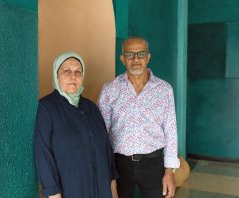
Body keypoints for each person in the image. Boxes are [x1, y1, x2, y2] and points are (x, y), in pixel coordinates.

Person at [98, 37, 180, 198]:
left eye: (141, 54)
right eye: (129, 54)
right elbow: (101, 133)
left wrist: (169, 171)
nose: (136, 59)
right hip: (119, 164)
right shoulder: (110, 90)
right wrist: (104, 170)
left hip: (154, 164)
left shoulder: (164, 90)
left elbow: (170, 131)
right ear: (122, 59)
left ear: (148, 57)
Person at [34, 51, 118, 198]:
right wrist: (53, 193)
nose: (73, 76)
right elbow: (43, 153)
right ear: (56, 75)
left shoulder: (91, 108)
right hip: (71, 189)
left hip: (101, 189)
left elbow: (106, 149)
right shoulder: (47, 108)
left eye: (78, 71)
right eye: (66, 71)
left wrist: (113, 188)